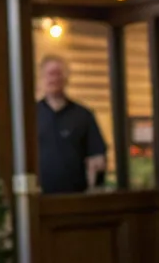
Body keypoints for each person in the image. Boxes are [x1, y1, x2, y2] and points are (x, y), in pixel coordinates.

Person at [35, 55, 107, 194]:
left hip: (76, 197)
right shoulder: (30, 116)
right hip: (39, 198)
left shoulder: (83, 115)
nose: (54, 79)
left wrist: (95, 186)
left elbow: (97, 156)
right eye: (50, 74)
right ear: (42, 78)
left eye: (58, 74)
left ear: (66, 78)